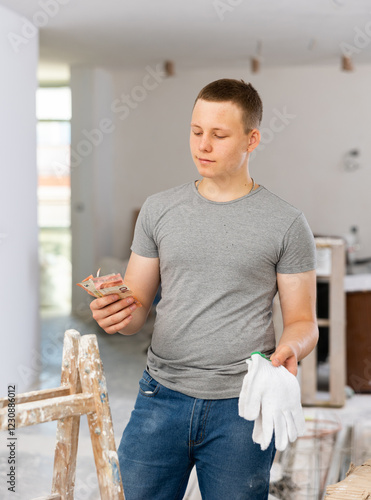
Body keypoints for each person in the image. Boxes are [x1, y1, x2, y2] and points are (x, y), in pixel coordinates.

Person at [90, 78, 319, 499]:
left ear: (252, 139)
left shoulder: (286, 222)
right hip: (159, 398)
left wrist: (290, 348)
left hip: (242, 408)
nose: (203, 145)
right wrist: (116, 314)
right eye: (196, 132)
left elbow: (303, 320)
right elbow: (136, 309)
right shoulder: (159, 210)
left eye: (219, 135)